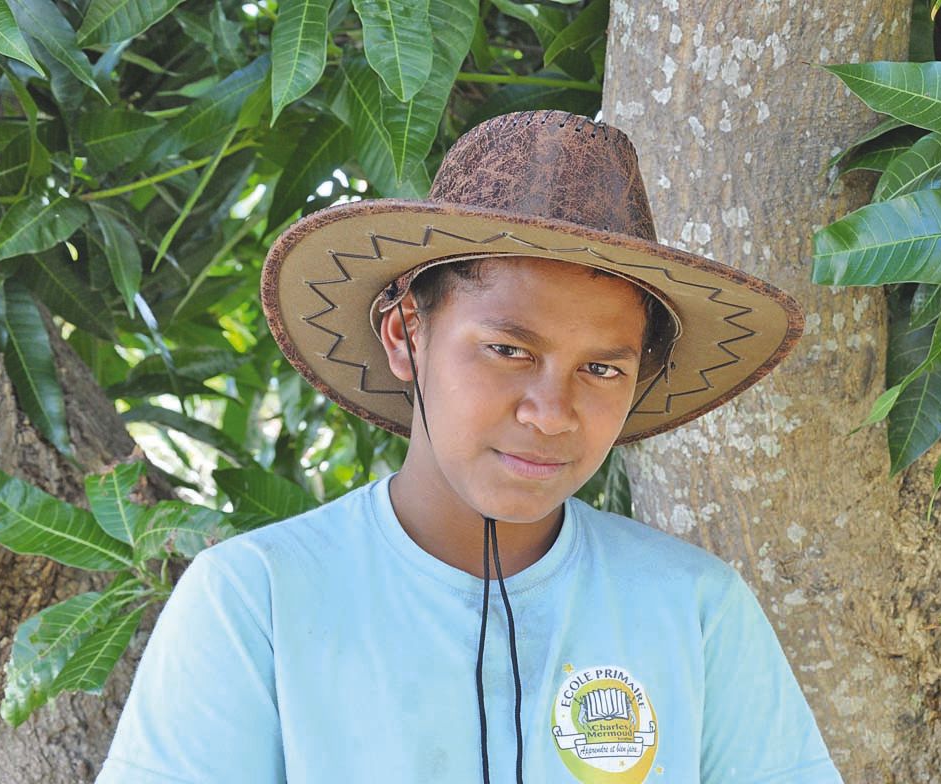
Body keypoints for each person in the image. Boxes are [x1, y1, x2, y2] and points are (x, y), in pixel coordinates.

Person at [96, 109, 842, 783]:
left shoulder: (694, 609)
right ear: (405, 335)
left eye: (601, 369)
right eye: (507, 350)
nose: (550, 414)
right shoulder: (256, 602)